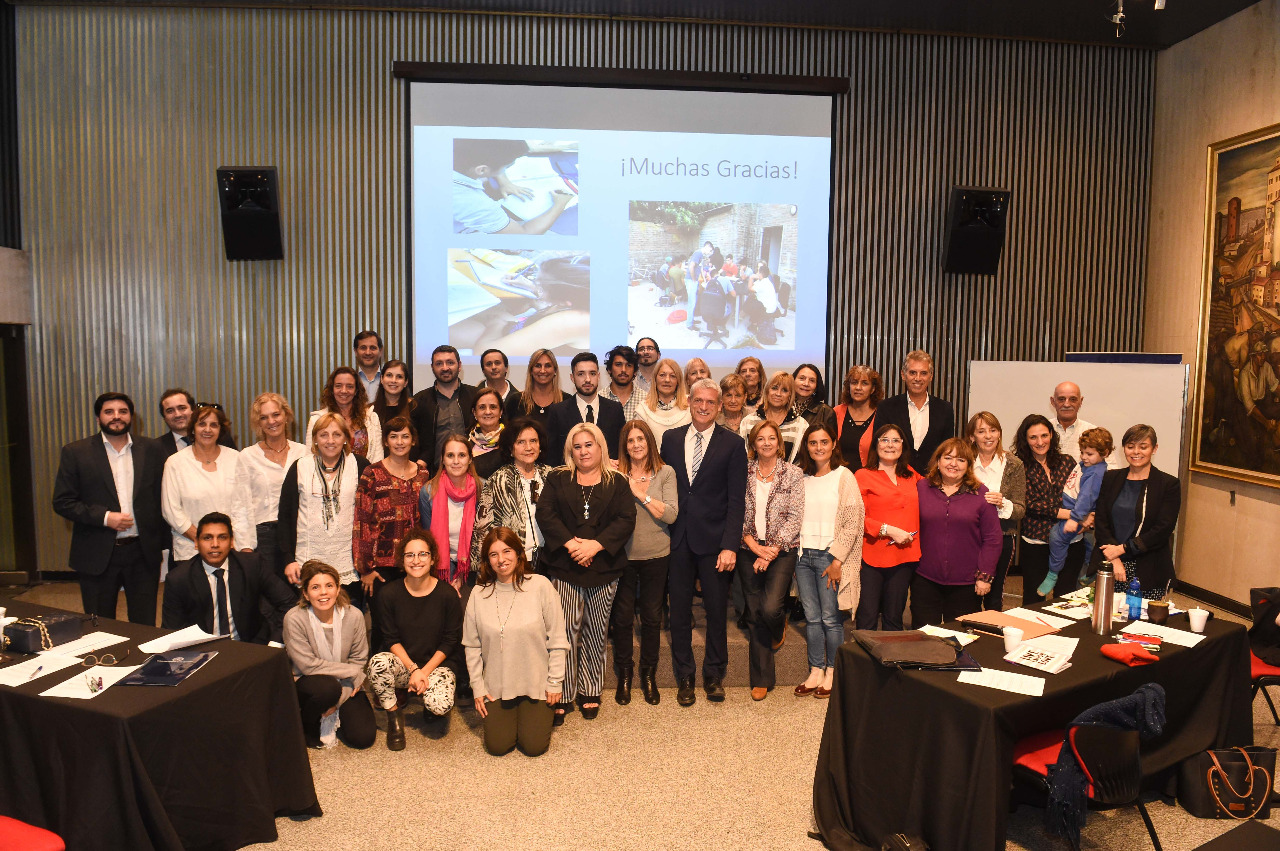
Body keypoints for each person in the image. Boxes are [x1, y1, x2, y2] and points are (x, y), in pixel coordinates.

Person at [535, 423, 636, 723]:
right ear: (570, 451)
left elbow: (626, 519)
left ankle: (590, 690)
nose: (583, 451)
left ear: (601, 447)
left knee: (595, 630)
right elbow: (545, 514)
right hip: (565, 566)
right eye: (577, 447)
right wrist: (571, 544)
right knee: (564, 631)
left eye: (588, 445)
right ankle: (563, 692)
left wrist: (595, 546)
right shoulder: (558, 478)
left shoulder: (617, 481)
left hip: (604, 566)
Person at [660, 378, 748, 706]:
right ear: (689, 401)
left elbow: (736, 500)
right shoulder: (670, 439)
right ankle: (685, 676)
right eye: (699, 400)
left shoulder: (733, 444)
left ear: (720, 406)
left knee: (715, 610)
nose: (704, 406)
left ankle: (714, 675)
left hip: (715, 542)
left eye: (711, 402)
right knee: (679, 612)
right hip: (677, 539)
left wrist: (730, 545)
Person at [52, 392, 166, 624]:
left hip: (142, 553)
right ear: (98, 418)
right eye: (109, 412)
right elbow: (63, 502)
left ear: (131, 416)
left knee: (144, 625)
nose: (116, 416)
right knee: (100, 625)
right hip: (97, 552)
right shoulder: (76, 452)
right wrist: (105, 518)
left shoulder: (152, 449)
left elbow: (161, 497)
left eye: (123, 411)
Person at [464, 527, 570, 756]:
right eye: (493, 554)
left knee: (534, 747)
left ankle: (536, 715)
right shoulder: (478, 594)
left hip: (536, 684)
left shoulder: (540, 585)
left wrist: (554, 682)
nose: (501, 559)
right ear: (487, 560)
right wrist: (478, 688)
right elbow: (472, 646)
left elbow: (558, 640)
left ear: (519, 553)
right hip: (497, 686)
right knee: (498, 746)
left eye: (507, 551)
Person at [367, 530, 464, 751]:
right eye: (410, 555)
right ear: (402, 560)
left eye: (423, 554)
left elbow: (450, 641)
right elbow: (390, 638)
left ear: (432, 559)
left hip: (437, 664)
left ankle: (428, 704)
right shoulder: (388, 594)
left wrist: (423, 672)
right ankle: (394, 718)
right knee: (377, 664)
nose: (416, 560)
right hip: (404, 664)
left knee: (439, 705)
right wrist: (413, 669)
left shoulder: (447, 595)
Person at [791, 422, 864, 697]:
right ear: (806, 447)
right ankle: (815, 670)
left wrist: (837, 561)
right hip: (803, 557)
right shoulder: (801, 477)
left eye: (824, 442)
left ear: (833, 444)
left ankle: (833, 671)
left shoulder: (844, 476)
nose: (818, 447)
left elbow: (853, 522)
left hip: (828, 558)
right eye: (813, 443)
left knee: (831, 619)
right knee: (811, 618)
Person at [613, 419, 678, 706]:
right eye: (631, 440)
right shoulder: (615, 475)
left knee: (652, 618)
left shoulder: (665, 472)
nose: (636, 444)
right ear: (624, 446)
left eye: (641, 439)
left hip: (656, 555)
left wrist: (640, 493)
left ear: (649, 442)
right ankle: (625, 674)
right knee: (622, 618)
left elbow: (671, 515)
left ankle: (648, 674)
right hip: (623, 556)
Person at [737, 420, 803, 701]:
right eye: (760, 438)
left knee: (771, 608)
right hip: (748, 547)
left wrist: (771, 550)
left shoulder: (793, 473)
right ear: (753, 443)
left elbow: (795, 516)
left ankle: (779, 624)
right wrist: (753, 546)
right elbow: (734, 509)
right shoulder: (743, 471)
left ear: (779, 443)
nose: (766, 443)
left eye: (771, 438)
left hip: (782, 550)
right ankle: (761, 679)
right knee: (754, 612)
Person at [283, 560, 376, 749]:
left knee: (363, 738)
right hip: (309, 682)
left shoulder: (354, 616)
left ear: (338, 588)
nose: (323, 592)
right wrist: (352, 672)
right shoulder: (294, 618)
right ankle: (307, 722)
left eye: (329, 586)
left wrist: (338, 701)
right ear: (305, 594)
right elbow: (308, 665)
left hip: (346, 683)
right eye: (315, 587)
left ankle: (329, 711)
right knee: (327, 689)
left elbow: (358, 660)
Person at [279, 414, 370, 607]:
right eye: (324, 435)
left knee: (348, 619)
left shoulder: (360, 465)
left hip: (348, 564)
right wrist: (288, 559)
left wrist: (367, 564)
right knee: (311, 620)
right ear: (315, 439)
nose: (330, 440)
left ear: (346, 438)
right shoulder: (300, 467)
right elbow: (286, 516)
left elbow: (369, 517)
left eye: (337, 434)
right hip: (307, 561)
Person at [161, 512, 295, 642]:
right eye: (207, 538)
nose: (215, 544)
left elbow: (288, 602)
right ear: (196, 543)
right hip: (202, 649)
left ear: (231, 542)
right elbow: (172, 630)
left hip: (250, 646)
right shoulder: (179, 578)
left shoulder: (252, 565)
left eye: (222, 537)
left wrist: (275, 642)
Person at [354, 416, 429, 642]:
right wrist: (364, 569)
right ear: (386, 441)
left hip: (415, 564)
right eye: (394, 437)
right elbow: (361, 520)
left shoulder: (423, 475)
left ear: (413, 440)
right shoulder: (372, 473)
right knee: (384, 629)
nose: (399, 442)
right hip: (381, 567)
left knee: (413, 626)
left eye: (405, 436)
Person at [911, 439, 1001, 627]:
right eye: (948, 458)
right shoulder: (921, 488)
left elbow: (992, 539)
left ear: (968, 465)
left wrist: (984, 576)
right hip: (925, 578)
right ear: (938, 461)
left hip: (966, 583)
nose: (953, 464)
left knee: (960, 636)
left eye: (961, 460)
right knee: (923, 635)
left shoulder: (981, 494)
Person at [1091, 425, 1181, 597]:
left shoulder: (1168, 484)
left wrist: (1123, 549)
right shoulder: (1111, 478)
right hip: (1112, 562)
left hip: (1148, 567)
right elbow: (1101, 521)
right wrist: (1114, 557)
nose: (1136, 452)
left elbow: (1162, 530)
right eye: (1130, 446)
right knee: (1108, 611)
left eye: (1143, 447)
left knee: (1142, 614)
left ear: (1154, 449)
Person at [231, 393, 309, 576]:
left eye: (276, 414)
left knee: (301, 589)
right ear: (258, 423)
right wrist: (245, 548)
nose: (271, 421)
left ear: (286, 416)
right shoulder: (247, 456)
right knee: (269, 593)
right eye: (264, 418)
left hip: (299, 534)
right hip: (264, 538)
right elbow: (240, 506)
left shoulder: (304, 453)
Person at [853, 423, 922, 631]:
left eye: (895, 440)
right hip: (872, 556)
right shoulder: (862, 475)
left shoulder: (911, 474)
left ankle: (892, 654)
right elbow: (856, 517)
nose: (890, 445)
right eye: (884, 440)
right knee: (867, 618)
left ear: (903, 446)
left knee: (894, 618)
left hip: (904, 556)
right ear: (876, 445)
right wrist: (888, 530)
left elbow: (937, 490)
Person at [161, 404, 246, 565]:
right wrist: (203, 539)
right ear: (192, 429)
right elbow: (171, 511)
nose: (207, 429)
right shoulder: (175, 463)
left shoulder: (236, 459)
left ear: (220, 430)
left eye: (213, 425)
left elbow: (244, 506)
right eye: (202, 424)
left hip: (232, 549)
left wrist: (226, 541)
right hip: (190, 550)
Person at [1014, 414, 1086, 604]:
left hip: (1071, 540)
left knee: (1066, 599)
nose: (1040, 442)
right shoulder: (1018, 466)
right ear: (1025, 440)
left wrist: (1086, 516)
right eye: (1033, 437)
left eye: (1044, 435)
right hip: (1036, 543)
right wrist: (1073, 515)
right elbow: (1030, 504)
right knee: (1033, 600)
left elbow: (1083, 493)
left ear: (1052, 435)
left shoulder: (1067, 461)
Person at [1037, 427, 1112, 597]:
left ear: (1105, 453)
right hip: (1075, 510)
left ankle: (1053, 573)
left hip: (1077, 512)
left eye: (1089, 454)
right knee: (1088, 543)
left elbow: (1086, 497)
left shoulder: (1096, 473)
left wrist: (1075, 518)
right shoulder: (1088, 465)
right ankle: (1091, 570)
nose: (1084, 457)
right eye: (1082, 452)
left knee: (1057, 536)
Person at [965, 411, 1026, 611]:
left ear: (999, 433)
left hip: (1001, 536)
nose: (988, 436)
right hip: (968, 537)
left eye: (993, 430)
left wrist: (1003, 503)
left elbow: (1020, 510)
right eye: (981, 431)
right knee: (967, 596)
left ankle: (991, 631)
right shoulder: (963, 462)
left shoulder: (1014, 464)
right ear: (972, 437)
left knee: (994, 597)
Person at [474, 419, 552, 570]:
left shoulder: (551, 475)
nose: (528, 447)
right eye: (521, 442)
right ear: (511, 448)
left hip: (549, 561)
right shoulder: (498, 480)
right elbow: (483, 529)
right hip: (512, 563)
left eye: (533, 441)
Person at [452, 138, 572, 235]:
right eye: (507, 166)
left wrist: (505, 182)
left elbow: (489, 157)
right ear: (482, 170)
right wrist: (560, 204)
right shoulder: (475, 203)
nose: (507, 169)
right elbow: (523, 234)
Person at [419, 433, 484, 610]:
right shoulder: (428, 492)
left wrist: (461, 575)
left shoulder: (483, 488)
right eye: (450, 455)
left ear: (470, 459)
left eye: (461, 455)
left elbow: (485, 538)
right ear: (442, 459)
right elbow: (429, 540)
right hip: (441, 566)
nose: (456, 461)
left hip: (474, 565)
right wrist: (448, 577)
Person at [879, 350, 956, 476]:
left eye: (923, 373)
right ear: (903, 375)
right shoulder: (886, 407)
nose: (918, 378)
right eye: (912, 373)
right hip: (895, 478)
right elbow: (880, 446)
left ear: (931, 376)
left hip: (932, 479)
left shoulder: (945, 409)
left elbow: (947, 450)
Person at [546, 352, 625, 462]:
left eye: (592, 373)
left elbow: (622, 451)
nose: (587, 379)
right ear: (572, 378)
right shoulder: (558, 412)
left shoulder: (615, 410)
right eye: (581, 374)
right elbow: (553, 455)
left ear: (598, 376)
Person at [410, 345, 477, 473]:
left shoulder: (475, 396)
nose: (445, 368)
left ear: (459, 365)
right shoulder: (419, 401)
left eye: (450, 363)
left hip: (472, 472)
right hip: (433, 473)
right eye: (439, 363)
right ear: (432, 367)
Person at [305, 367, 383, 463]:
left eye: (350, 386)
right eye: (338, 386)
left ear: (356, 391)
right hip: (328, 472)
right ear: (332, 390)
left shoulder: (371, 418)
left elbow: (378, 457)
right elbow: (310, 457)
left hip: (366, 472)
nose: (344, 391)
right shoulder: (317, 420)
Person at [738, 371, 809, 462]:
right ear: (767, 390)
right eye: (774, 388)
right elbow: (742, 457)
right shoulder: (748, 422)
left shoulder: (801, 425)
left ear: (790, 395)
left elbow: (802, 460)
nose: (778, 394)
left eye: (784, 390)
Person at [156, 388, 235, 456]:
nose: (178, 414)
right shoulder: (156, 447)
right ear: (164, 417)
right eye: (170, 411)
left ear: (193, 410)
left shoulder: (221, 438)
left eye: (182, 408)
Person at [832, 366, 883, 473]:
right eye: (854, 382)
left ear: (873, 389)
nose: (858, 387)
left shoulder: (882, 415)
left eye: (864, 383)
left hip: (869, 479)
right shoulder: (836, 412)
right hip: (838, 477)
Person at [504, 347, 562, 433]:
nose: (542, 371)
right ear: (531, 370)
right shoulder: (516, 401)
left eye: (548, 366)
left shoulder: (566, 401)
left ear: (555, 371)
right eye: (538, 366)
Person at [636, 357, 692, 446]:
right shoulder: (642, 410)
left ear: (678, 381)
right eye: (662, 375)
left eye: (673, 376)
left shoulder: (691, 405)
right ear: (655, 379)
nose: (667, 380)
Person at [468, 388, 507, 479]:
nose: (488, 412)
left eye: (493, 407)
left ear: (501, 411)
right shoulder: (466, 443)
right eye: (482, 407)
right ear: (474, 412)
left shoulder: (512, 441)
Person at [601, 344, 643, 422]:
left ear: (635, 371)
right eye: (618, 365)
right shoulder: (599, 398)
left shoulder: (646, 400)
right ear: (609, 369)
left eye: (629, 365)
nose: (623, 370)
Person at [792, 364, 836, 436]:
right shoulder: (782, 407)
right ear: (793, 381)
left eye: (812, 381)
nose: (806, 384)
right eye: (802, 378)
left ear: (816, 386)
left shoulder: (826, 412)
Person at [371, 359, 414, 428]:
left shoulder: (415, 408)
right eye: (389, 375)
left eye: (399, 377)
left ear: (405, 382)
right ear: (381, 379)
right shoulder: (369, 410)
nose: (394, 380)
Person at [352, 330, 384, 402]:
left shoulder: (391, 380)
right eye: (363, 348)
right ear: (355, 351)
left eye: (373, 348)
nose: (368, 353)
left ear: (380, 351)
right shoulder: (348, 380)